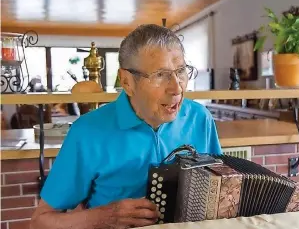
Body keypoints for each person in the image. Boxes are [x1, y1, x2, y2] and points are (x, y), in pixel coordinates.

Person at [30, 24, 222, 229]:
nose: (177, 88)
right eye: (160, 75)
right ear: (127, 82)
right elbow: (40, 222)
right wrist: (101, 218)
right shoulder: (86, 132)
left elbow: (220, 186)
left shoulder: (200, 118)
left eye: (181, 71)